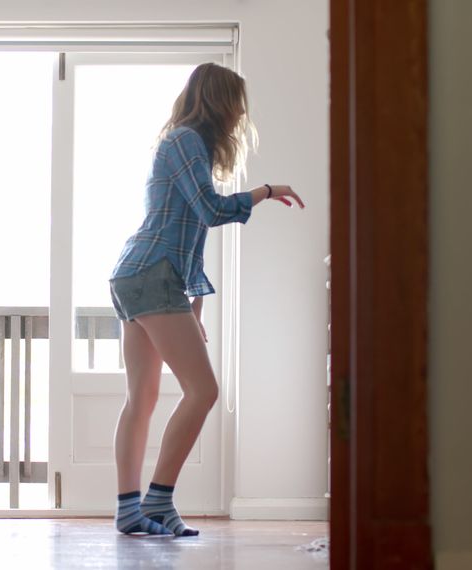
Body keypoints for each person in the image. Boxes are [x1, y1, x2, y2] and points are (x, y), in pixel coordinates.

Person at [108, 63, 305, 537]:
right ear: (218, 101)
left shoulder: (183, 144)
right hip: (151, 275)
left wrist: (194, 306)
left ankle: (129, 510)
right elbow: (211, 211)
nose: (241, 114)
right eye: (236, 102)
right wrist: (267, 191)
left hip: (141, 274)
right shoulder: (185, 142)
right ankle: (156, 502)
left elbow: (188, 234)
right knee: (204, 391)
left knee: (143, 397)